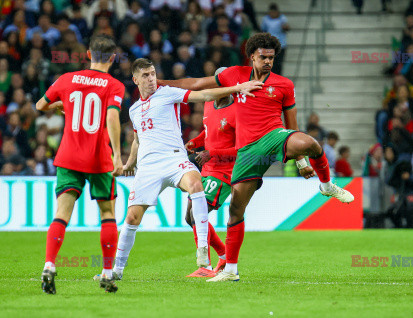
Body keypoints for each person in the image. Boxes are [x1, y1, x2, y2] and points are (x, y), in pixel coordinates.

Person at [158, 33, 354, 282]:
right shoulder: (233, 75)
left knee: (311, 144)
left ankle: (326, 186)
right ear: (252, 56)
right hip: (248, 151)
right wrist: (160, 82)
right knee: (235, 211)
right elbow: (196, 83)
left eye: (272, 57)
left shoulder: (284, 85)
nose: (268, 61)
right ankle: (230, 270)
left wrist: (302, 161)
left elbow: (292, 125)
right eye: (263, 57)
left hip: (273, 136)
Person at [107, 58, 262, 281]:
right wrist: (129, 163)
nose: (151, 79)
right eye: (146, 76)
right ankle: (117, 271)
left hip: (174, 159)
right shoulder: (134, 110)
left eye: (153, 74)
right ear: (136, 80)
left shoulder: (168, 93)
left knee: (195, 183)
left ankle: (203, 255)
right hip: (148, 167)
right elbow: (137, 139)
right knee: (131, 218)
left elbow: (203, 94)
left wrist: (239, 87)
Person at [35, 35, 125, 294]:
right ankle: (107, 273)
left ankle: (50, 265)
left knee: (61, 214)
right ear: (112, 58)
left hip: (69, 157)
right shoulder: (114, 85)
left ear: (88, 54)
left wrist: (66, 104)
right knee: (107, 214)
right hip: (98, 158)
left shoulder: (66, 79)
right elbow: (111, 118)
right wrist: (117, 155)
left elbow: (41, 104)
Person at [184, 67, 236, 277]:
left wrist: (211, 153)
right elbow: (210, 131)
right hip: (207, 169)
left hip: (224, 172)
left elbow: (242, 150)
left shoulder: (238, 111)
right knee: (190, 217)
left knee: (197, 213)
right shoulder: (208, 104)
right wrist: (196, 142)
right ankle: (223, 255)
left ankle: (205, 267)